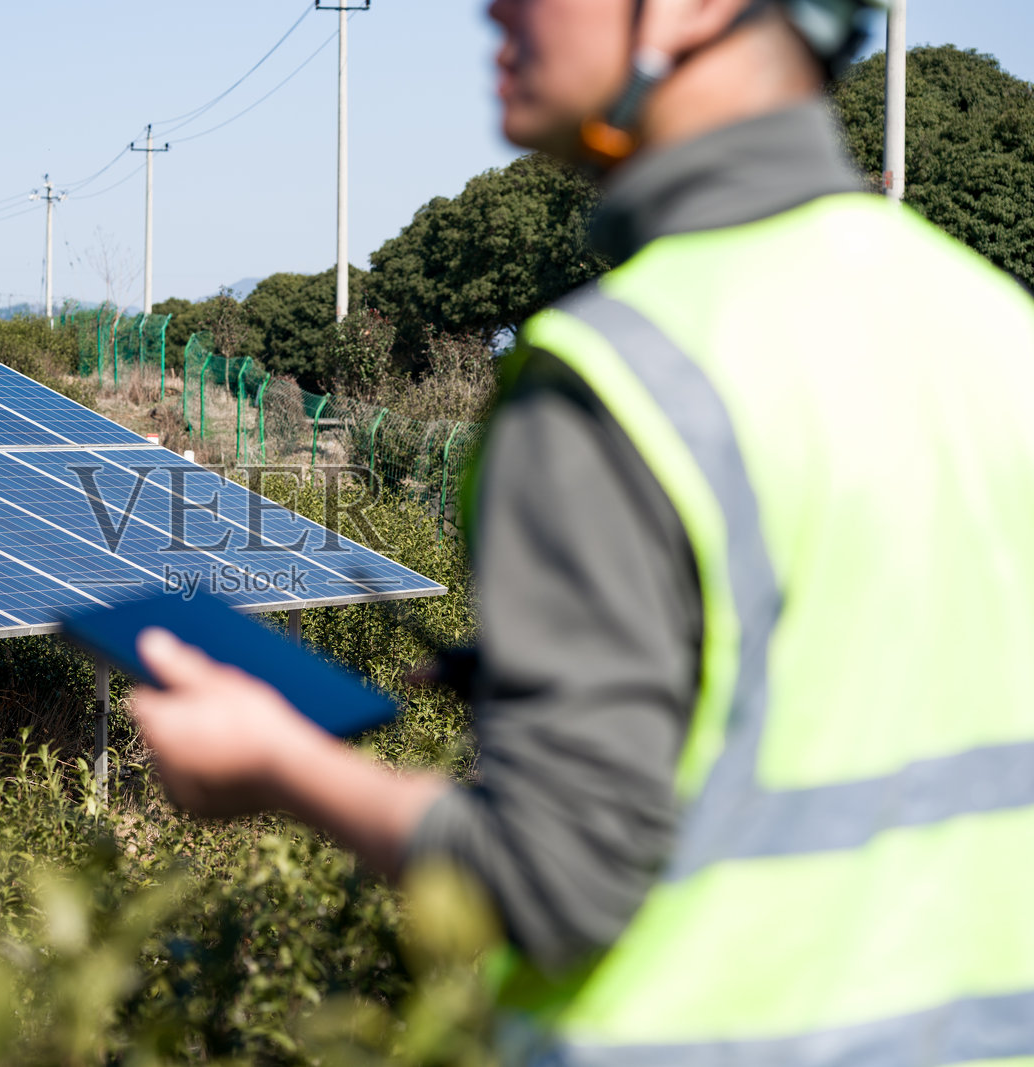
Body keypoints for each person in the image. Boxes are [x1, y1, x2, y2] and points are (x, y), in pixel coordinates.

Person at [131, 0, 1034, 1061]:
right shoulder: (987, 320)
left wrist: (281, 767)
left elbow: (554, 884)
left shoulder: (614, 375)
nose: (492, 8)